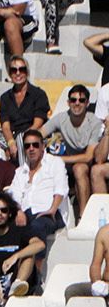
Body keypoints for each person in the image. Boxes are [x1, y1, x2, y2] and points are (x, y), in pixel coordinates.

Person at [48, 84, 103, 213]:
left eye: (81, 100)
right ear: (68, 103)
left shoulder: (94, 122)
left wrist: (58, 159)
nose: (77, 103)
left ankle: (82, 215)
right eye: (73, 100)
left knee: (79, 168)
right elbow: (39, 133)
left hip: (90, 164)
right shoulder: (61, 118)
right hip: (67, 165)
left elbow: (88, 156)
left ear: (87, 103)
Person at [10, 129, 68, 243]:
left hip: (50, 213)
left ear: (43, 146)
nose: (31, 149)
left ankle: (35, 255)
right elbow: (14, 195)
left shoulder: (55, 162)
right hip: (26, 213)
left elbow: (61, 189)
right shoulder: (20, 171)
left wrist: (52, 210)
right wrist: (18, 211)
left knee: (36, 227)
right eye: (27, 146)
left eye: (35, 145)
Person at [0, 55, 49, 157]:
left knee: (22, 141)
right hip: (12, 136)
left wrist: (21, 139)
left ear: (27, 72)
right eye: (14, 70)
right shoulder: (5, 98)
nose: (18, 73)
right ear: (9, 73)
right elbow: (5, 126)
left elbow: (37, 123)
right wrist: (11, 142)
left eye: (22, 69)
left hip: (33, 134)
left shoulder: (38, 94)